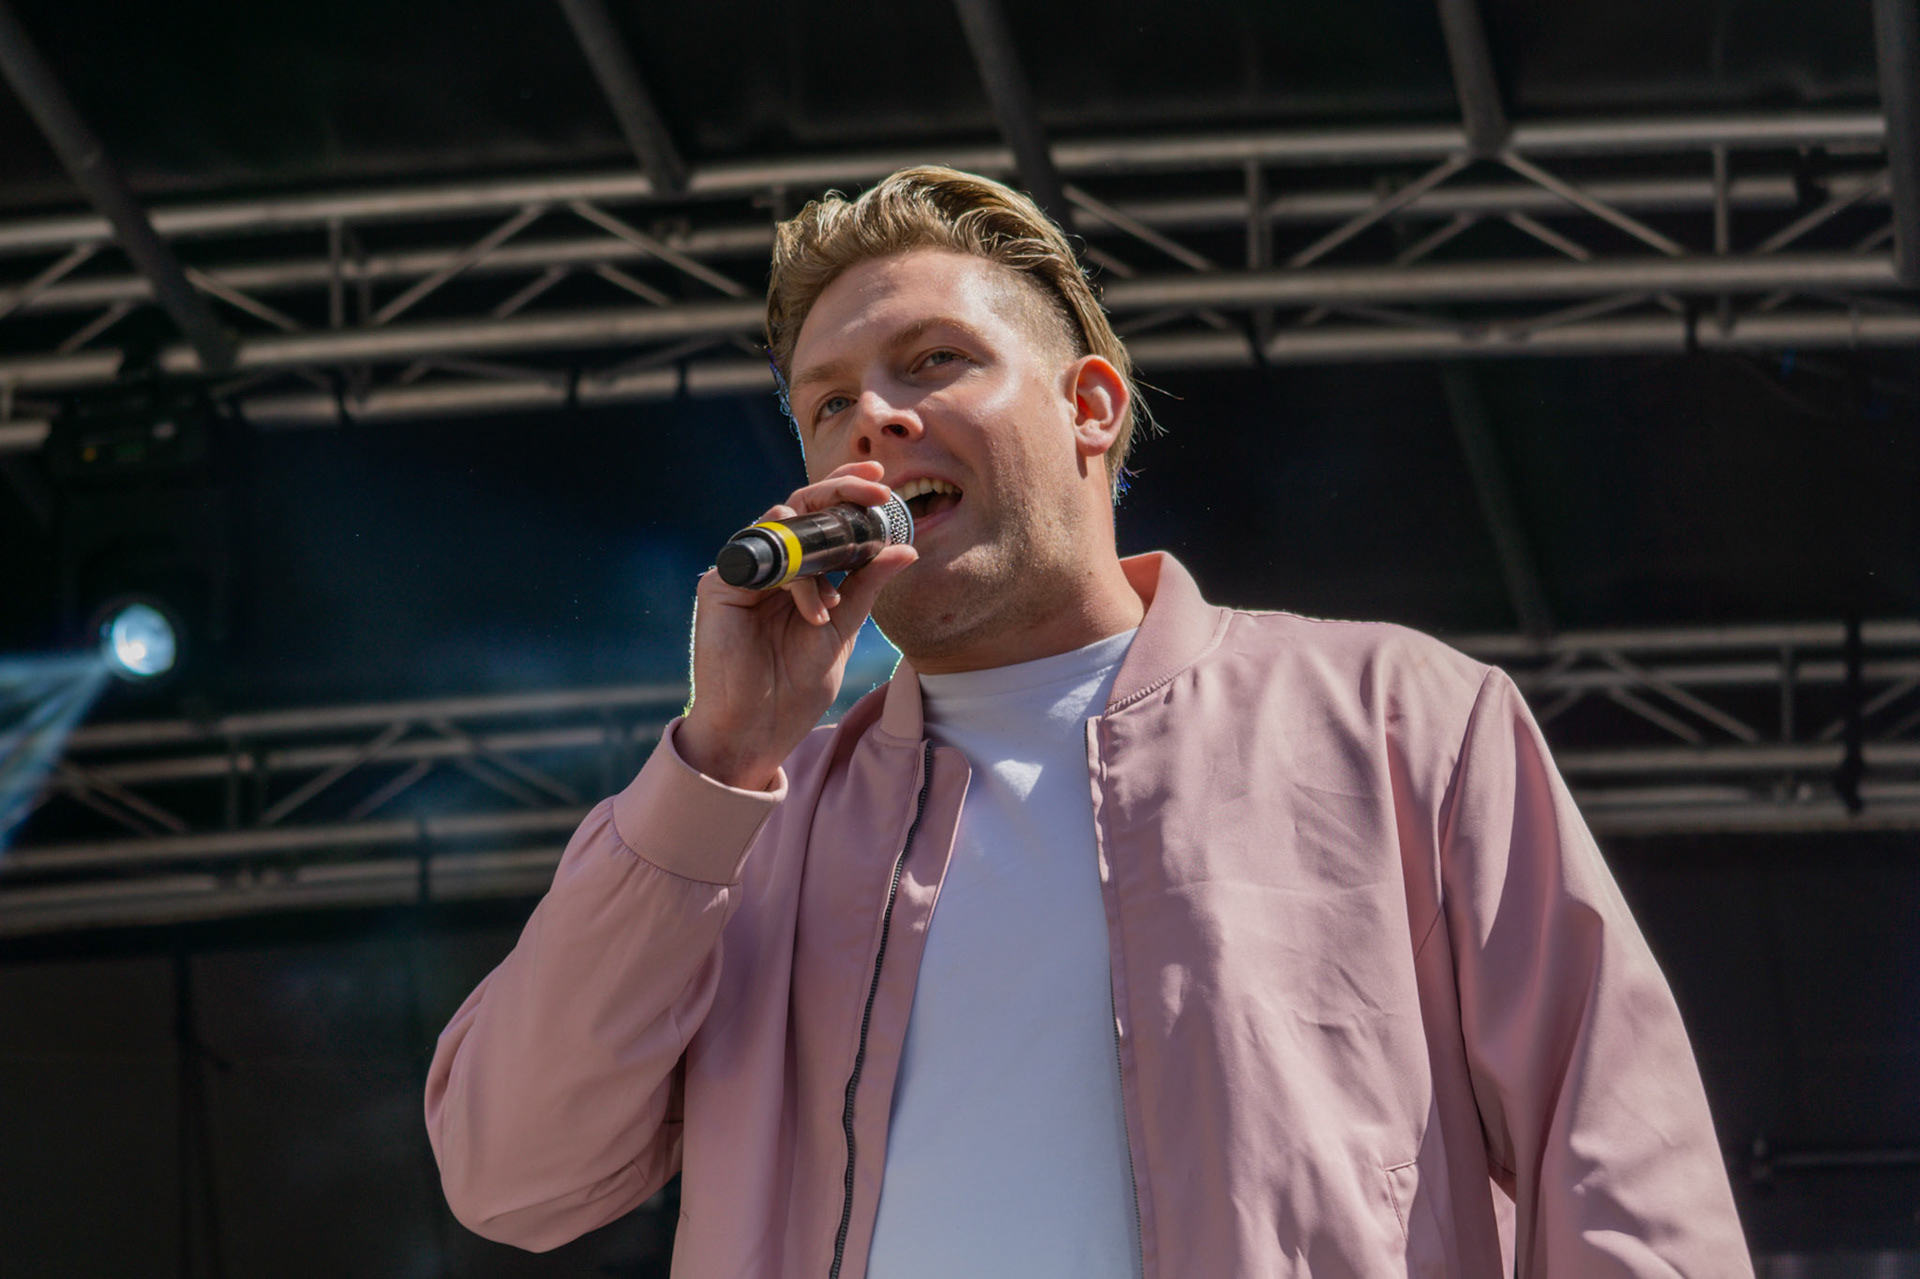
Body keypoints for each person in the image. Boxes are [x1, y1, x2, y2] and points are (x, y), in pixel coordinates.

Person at [425, 166, 1752, 1278]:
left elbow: (1625, 1179)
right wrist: (719, 760)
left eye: (934, 360)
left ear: (1090, 409)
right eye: (828, 403)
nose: (874, 415)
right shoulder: (742, 831)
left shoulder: (1398, 719)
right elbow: (510, 1175)